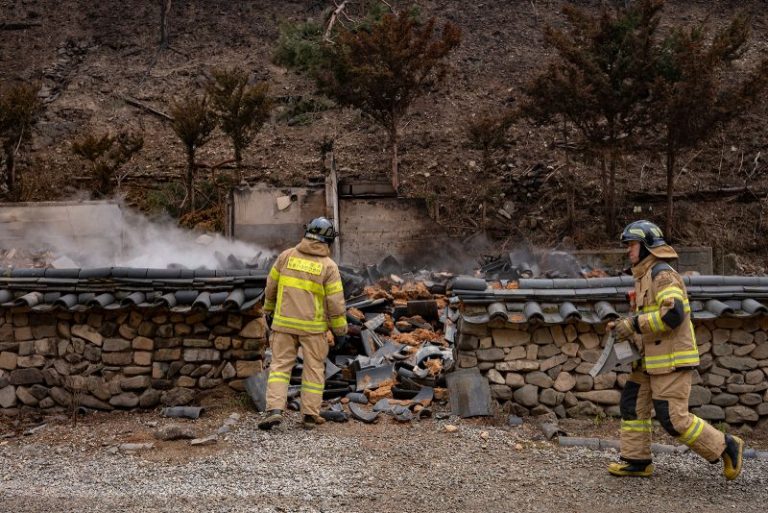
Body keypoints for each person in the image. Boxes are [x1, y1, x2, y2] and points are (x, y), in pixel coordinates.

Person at [607, 220, 744, 479]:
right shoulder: (644, 276)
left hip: (670, 360)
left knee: (673, 419)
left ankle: (726, 445)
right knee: (632, 405)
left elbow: (673, 315)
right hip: (649, 360)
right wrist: (623, 327)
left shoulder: (663, 274)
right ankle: (636, 461)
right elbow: (647, 318)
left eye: (632, 245)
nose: (628, 251)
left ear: (647, 246)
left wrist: (633, 324)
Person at [258, 217, 348, 430]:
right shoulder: (329, 266)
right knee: (314, 370)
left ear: (307, 234)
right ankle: (309, 415)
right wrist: (340, 330)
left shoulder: (286, 257)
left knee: (280, 367)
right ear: (328, 241)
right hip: (313, 329)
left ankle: (274, 410)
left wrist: (268, 311)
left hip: (283, 325)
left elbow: (270, 287)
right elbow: (335, 303)